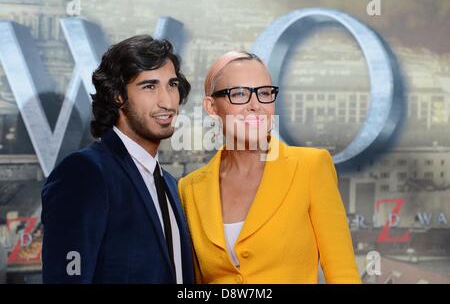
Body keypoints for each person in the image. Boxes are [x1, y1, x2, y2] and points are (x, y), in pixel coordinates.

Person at [178, 51, 361, 283]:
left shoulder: (310, 167)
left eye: (264, 93)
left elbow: (342, 273)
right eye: (240, 94)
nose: (256, 106)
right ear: (211, 107)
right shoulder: (189, 189)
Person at [41, 35, 194, 283]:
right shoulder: (84, 173)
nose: (167, 101)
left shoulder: (169, 184)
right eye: (149, 86)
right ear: (118, 96)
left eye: (172, 85)